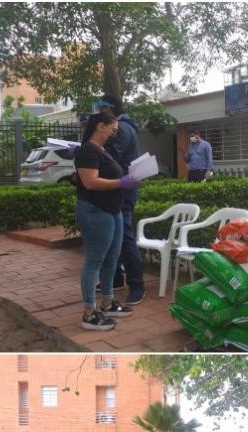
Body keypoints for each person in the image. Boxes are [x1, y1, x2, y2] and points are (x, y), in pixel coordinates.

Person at [74, 112, 139, 331]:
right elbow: (90, 182)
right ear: (101, 126)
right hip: (95, 211)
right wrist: (121, 183)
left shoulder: (104, 151)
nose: (115, 133)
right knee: (95, 260)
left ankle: (108, 302)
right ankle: (89, 313)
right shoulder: (87, 151)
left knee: (112, 259)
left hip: (113, 210)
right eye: (113, 129)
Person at [95, 95, 146, 306]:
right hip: (116, 188)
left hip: (123, 190)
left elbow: (112, 155)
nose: (98, 111)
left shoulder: (122, 129)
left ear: (111, 109)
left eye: (101, 108)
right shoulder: (121, 127)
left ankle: (137, 285)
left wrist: (91, 150)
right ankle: (116, 279)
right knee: (112, 235)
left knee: (124, 236)